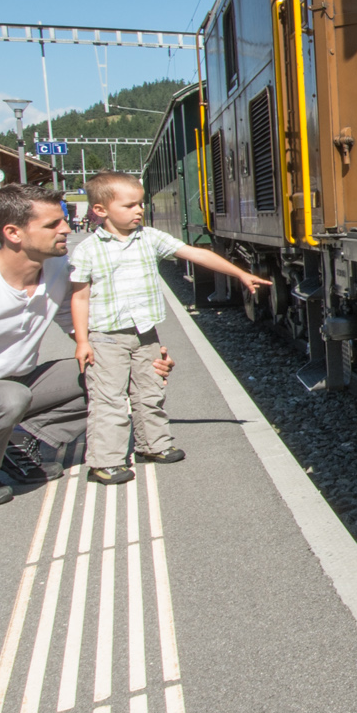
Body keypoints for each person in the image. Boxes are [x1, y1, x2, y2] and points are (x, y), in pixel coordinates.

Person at [0, 182, 176, 501]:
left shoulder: (57, 268)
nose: (66, 227)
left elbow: (85, 331)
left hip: (22, 382)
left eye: (63, 219)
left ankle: (19, 441)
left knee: (107, 373)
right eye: (53, 224)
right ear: (13, 233)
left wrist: (143, 355)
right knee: (9, 398)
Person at [69, 171, 268, 486]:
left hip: (144, 334)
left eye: (140, 204)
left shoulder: (149, 238)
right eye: (130, 205)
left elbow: (195, 253)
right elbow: (79, 298)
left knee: (150, 391)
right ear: (100, 210)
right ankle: (105, 461)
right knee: (109, 399)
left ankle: (154, 444)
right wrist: (82, 341)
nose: (139, 210)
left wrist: (240, 274)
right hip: (106, 337)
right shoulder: (88, 250)